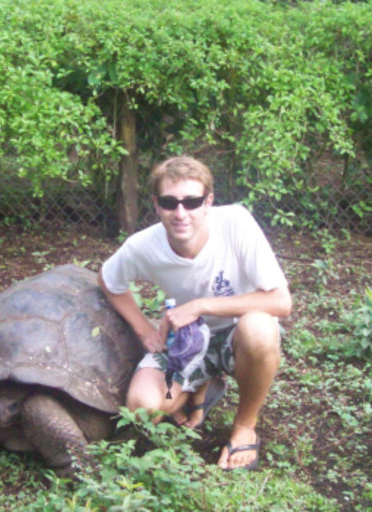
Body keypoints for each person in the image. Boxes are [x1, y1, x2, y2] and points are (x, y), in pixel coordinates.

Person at [98, 155, 291, 470]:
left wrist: (201, 305)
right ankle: (202, 386)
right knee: (142, 407)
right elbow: (108, 281)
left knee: (260, 329)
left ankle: (244, 425)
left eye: (192, 201)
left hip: (237, 334)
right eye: (170, 202)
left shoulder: (236, 223)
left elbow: (281, 302)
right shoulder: (142, 246)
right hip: (187, 340)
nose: (180, 213)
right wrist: (143, 329)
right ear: (157, 204)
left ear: (208, 202)